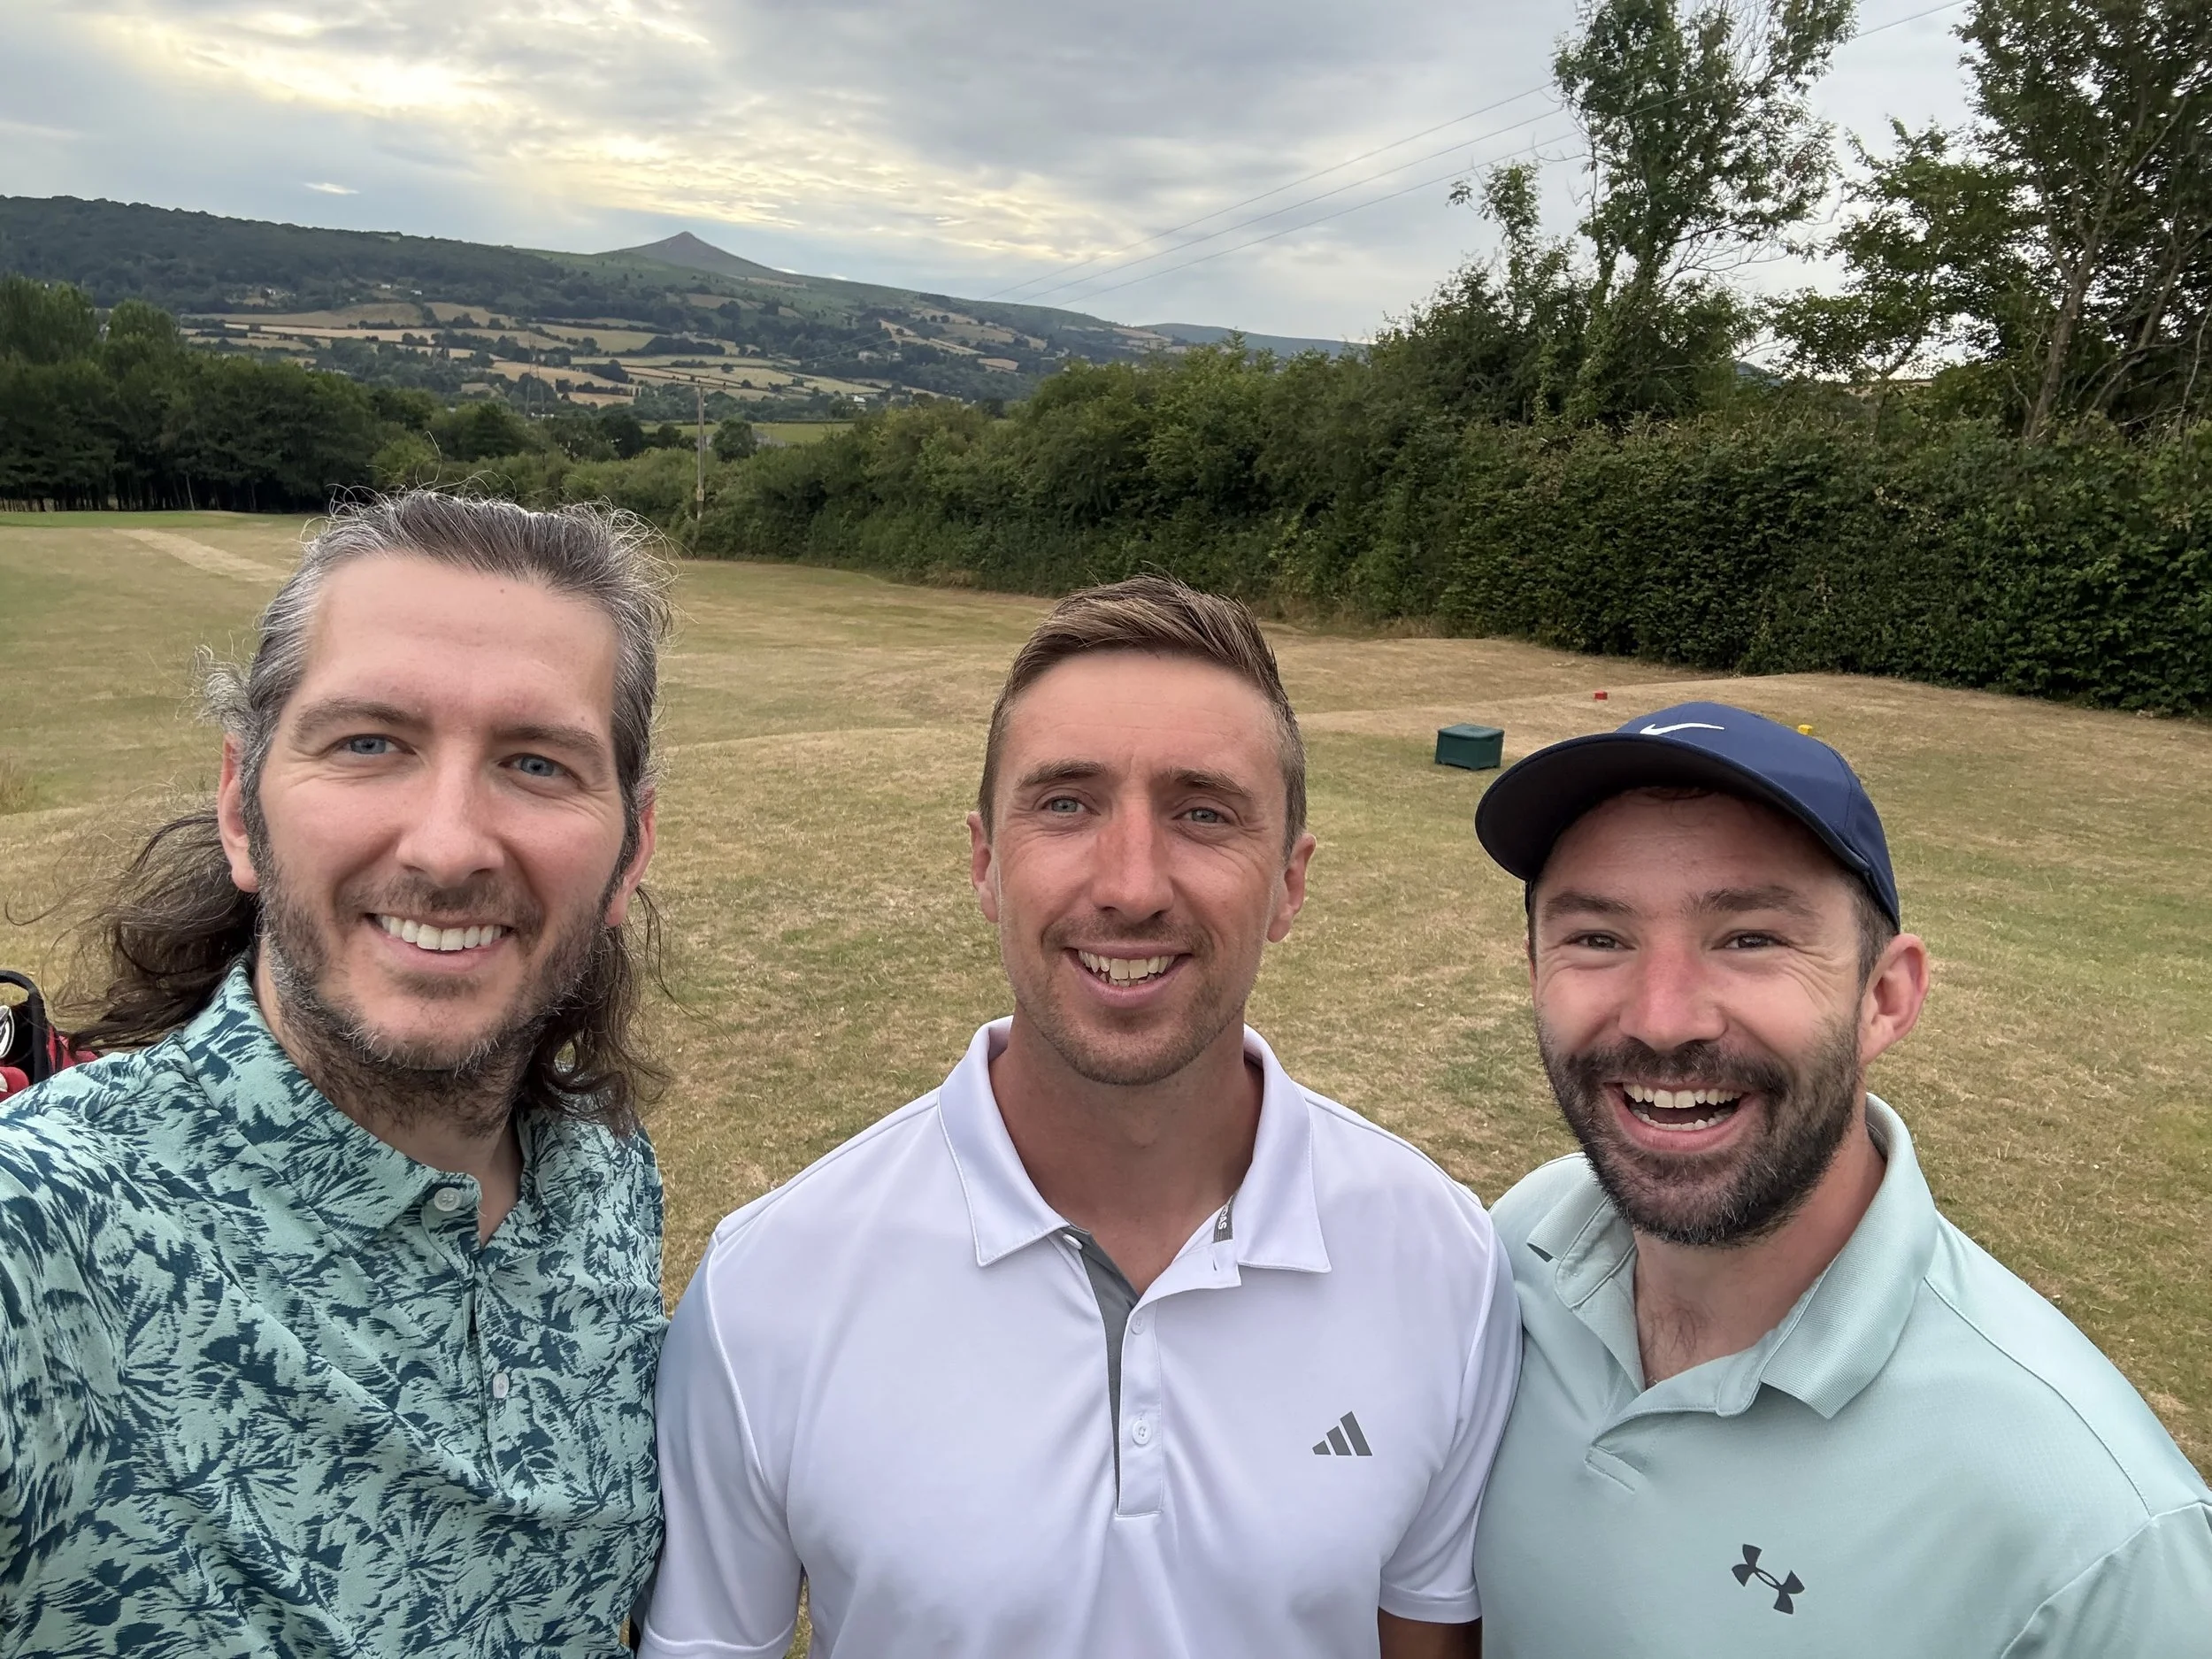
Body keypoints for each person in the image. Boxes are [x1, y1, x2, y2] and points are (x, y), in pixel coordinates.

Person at [643, 577, 1520, 1659]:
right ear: (981, 865)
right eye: (1066, 803)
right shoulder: (766, 1287)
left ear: (1290, 884)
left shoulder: (1442, 1259)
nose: (1131, 885)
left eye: (1203, 811)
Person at [0, 493, 674, 1655]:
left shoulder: (609, 1178)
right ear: (241, 805)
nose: (447, 843)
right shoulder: (42, 1240)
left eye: (536, 761)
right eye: (370, 743)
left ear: (628, 851)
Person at [1468, 701, 2212, 1655]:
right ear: (1533, 969)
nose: (1660, 1020)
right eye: (1598, 939)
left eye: (1749, 938)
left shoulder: (2099, 1535)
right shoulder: (1521, 1241)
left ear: (1885, 997)